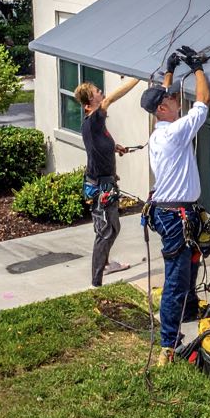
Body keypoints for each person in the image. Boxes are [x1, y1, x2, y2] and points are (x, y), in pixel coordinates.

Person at [140, 46, 210, 365]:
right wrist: (197, 69)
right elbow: (203, 103)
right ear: (164, 108)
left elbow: (167, 96)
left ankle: (191, 309)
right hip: (175, 216)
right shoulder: (176, 134)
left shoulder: (160, 131)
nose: (174, 98)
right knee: (175, 280)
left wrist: (169, 68)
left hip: (174, 212)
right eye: (170, 98)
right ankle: (168, 345)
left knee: (192, 262)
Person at [74, 76, 140, 288]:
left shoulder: (96, 124)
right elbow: (111, 98)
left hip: (104, 182)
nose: (101, 92)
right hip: (101, 186)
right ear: (88, 105)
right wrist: (137, 79)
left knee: (109, 228)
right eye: (96, 92)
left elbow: (97, 147)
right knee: (106, 232)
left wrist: (114, 147)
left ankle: (105, 263)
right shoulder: (93, 120)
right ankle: (97, 280)